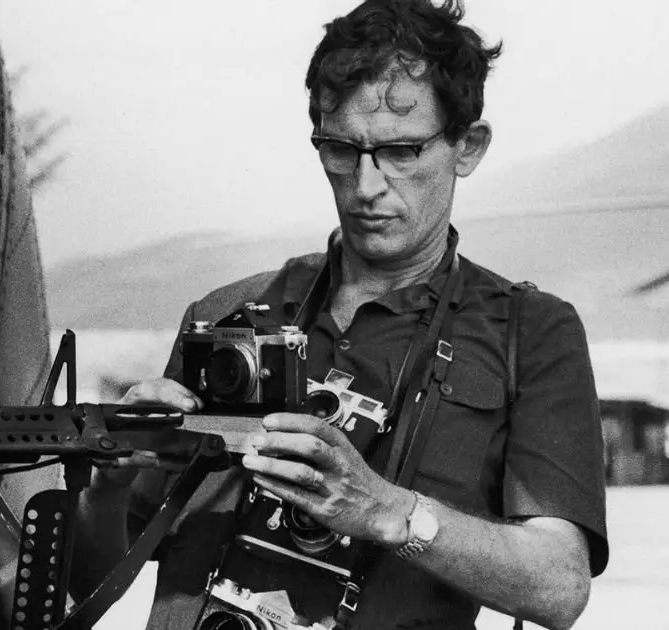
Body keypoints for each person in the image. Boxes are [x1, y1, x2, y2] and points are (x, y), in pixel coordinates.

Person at [73, 2, 608, 628]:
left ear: (469, 146)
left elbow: (559, 586)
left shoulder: (531, 334)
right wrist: (109, 483)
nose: (366, 184)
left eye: (401, 151)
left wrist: (386, 511)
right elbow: (92, 577)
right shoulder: (223, 317)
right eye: (340, 149)